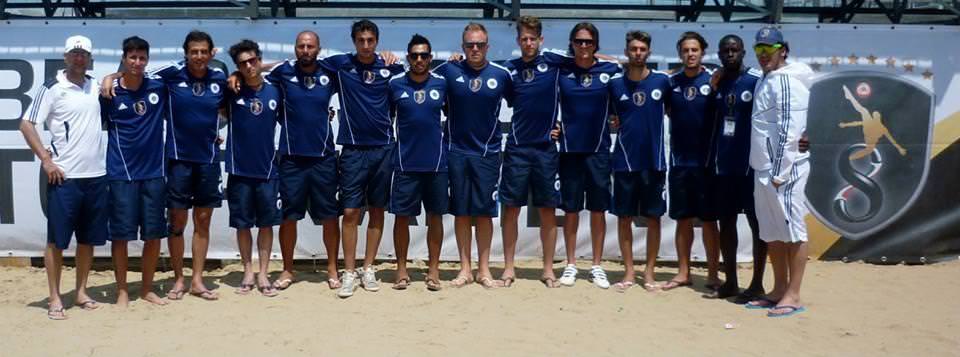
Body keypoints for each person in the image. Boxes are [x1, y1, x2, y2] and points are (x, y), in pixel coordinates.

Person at [103, 30, 227, 301]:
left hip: (208, 160)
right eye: (193, 51)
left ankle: (197, 280)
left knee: (203, 221)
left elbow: (229, 109)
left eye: (203, 51)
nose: (198, 56)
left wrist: (217, 128)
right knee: (177, 222)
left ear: (211, 53)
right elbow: (137, 74)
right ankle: (179, 279)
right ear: (186, 53)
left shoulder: (219, 78)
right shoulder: (170, 76)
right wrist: (110, 76)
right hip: (177, 161)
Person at [21, 35, 107, 319]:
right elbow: (26, 124)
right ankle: (55, 297)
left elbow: (126, 77)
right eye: (74, 53)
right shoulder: (52, 87)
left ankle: (81, 291)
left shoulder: (96, 85)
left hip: (95, 176)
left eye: (84, 54)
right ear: (65, 56)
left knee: (87, 240)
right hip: (64, 178)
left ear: (90, 58)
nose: (79, 58)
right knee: (56, 241)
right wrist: (46, 161)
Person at [323, 20, 405, 297]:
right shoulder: (340, 65)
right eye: (361, 40)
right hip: (353, 149)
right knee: (350, 212)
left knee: (378, 209)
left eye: (371, 40)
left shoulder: (392, 68)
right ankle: (349, 271)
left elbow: (421, 76)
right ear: (354, 41)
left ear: (377, 41)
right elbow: (300, 62)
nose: (366, 45)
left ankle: (368, 267)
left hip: (383, 148)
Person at [434, 22, 513, 289]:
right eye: (470, 45)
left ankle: (484, 270)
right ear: (463, 47)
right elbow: (418, 79)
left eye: (480, 45)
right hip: (456, 152)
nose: (475, 49)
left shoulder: (501, 74)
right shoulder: (447, 71)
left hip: (488, 153)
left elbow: (524, 103)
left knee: (484, 213)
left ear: (487, 46)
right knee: (461, 213)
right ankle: (465, 269)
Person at [265, 31, 341, 291]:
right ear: (294, 49)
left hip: (323, 158)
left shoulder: (330, 72)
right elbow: (254, 76)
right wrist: (238, 72)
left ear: (319, 49)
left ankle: (332, 268)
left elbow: (360, 63)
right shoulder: (283, 73)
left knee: (329, 216)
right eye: (301, 46)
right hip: (291, 158)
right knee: (289, 217)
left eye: (310, 46)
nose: (306, 50)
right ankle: (288, 269)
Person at [745, 26, 813, 318]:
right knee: (771, 231)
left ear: (783, 49)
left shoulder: (788, 81)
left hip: (782, 170)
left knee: (793, 230)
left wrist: (780, 173)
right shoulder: (766, 77)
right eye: (759, 50)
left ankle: (794, 295)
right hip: (763, 167)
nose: (763, 55)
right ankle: (778, 288)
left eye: (768, 49)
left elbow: (790, 129)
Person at [101, 36, 169, 307]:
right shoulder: (109, 93)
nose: (137, 62)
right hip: (122, 174)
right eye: (132, 57)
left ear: (147, 60)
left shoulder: (158, 86)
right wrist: (110, 77)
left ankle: (146, 288)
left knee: (153, 235)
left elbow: (186, 69)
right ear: (124, 58)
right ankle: (121, 291)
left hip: (154, 173)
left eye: (142, 58)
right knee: (121, 236)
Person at [551, 22, 620, 289]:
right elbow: (545, 55)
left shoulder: (610, 71)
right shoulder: (562, 70)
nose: (583, 46)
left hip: (599, 151)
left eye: (588, 42)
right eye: (579, 42)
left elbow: (629, 78)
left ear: (596, 45)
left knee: (598, 210)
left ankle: (596, 265)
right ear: (572, 44)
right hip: (569, 151)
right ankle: (570, 264)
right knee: (570, 210)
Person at [499, 15, 566, 288]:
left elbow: (587, 72)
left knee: (548, 210)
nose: (528, 43)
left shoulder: (553, 62)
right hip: (517, 147)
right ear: (518, 41)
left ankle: (548, 269)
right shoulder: (509, 70)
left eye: (532, 38)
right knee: (511, 209)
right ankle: (508, 268)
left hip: (545, 148)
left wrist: (563, 126)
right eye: (523, 39)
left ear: (541, 40)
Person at [607, 31, 672, 292]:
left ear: (649, 52)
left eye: (642, 49)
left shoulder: (662, 82)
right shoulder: (614, 85)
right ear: (626, 52)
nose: (637, 53)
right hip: (624, 162)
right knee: (624, 219)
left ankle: (649, 272)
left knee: (653, 218)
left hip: (654, 163)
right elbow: (611, 117)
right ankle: (629, 272)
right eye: (633, 48)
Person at [704, 34, 765, 300]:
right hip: (724, 167)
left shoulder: (756, 80)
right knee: (726, 224)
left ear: (743, 52)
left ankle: (757, 284)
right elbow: (710, 120)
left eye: (735, 50)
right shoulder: (718, 82)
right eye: (725, 50)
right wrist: (712, 89)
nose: (730, 54)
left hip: (750, 166)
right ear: (719, 54)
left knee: (757, 226)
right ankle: (730, 282)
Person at [386, 34, 449, 291]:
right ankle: (401, 269)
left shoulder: (443, 83)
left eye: (424, 55)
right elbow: (385, 118)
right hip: (405, 164)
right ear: (408, 58)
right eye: (414, 55)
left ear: (431, 58)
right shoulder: (395, 84)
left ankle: (433, 270)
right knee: (402, 218)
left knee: (435, 218)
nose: (419, 59)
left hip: (436, 164)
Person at [222, 39, 283, 297]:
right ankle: (248, 271)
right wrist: (235, 75)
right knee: (243, 225)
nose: (249, 66)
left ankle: (264, 273)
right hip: (239, 170)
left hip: (268, 169)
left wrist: (260, 68)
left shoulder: (275, 89)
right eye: (242, 63)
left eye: (252, 61)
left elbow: (286, 64)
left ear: (259, 59)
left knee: (267, 225)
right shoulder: (231, 90)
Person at [661, 31, 721, 291]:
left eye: (694, 49)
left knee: (709, 221)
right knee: (682, 220)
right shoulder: (670, 83)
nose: (690, 54)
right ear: (680, 53)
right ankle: (683, 272)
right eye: (685, 50)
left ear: (702, 52)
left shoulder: (715, 80)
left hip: (707, 164)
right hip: (679, 162)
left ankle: (712, 274)